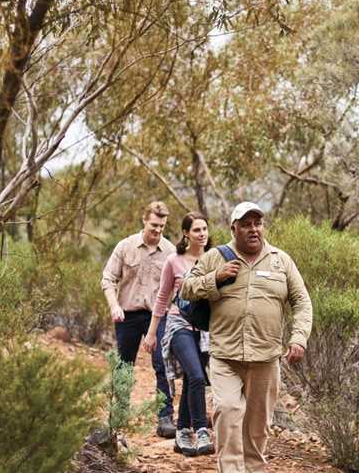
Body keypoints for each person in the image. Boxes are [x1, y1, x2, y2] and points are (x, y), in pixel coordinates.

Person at [181, 201, 312, 473]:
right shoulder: (216, 256)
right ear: (234, 228)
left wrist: (298, 337)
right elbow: (186, 288)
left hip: (265, 358)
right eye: (246, 224)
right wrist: (215, 278)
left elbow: (302, 301)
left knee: (257, 427)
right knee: (227, 411)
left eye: (258, 223)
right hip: (225, 355)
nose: (254, 229)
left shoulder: (280, 260)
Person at [100, 200, 176, 438]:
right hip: (127, 314)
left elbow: (178, 287)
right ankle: (118, 416)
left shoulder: (171, 251)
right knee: (124, 365)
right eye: (154, 225)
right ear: (144, 219)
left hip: (158, 315)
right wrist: (114, 306)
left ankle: (165, 417)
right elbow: (108, 279)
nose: (157, 230)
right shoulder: (126, 246)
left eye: (162, 226)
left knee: (163, 364)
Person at [143, 211, 215, 457]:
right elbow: (163, 297)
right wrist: (152, 333)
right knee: (196, 376)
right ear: (186, 233)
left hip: (204, 330)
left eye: (204, 229)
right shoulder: (174, 261)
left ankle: (182, 432)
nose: (202, 234)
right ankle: (201, 430)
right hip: (178, 324)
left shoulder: (214, 259)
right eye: (196, 230)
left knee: (191, 381)